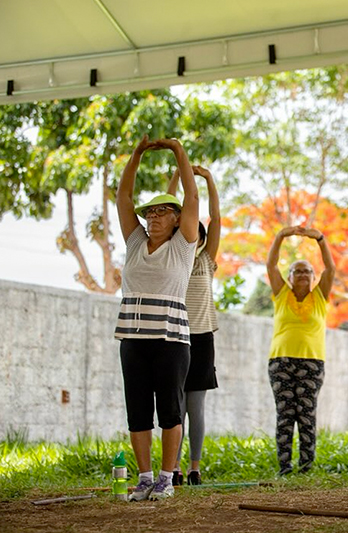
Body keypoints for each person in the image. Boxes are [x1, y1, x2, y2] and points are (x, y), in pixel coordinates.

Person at [115, 136, 199, 501]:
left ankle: (166, 478)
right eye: (150, 213)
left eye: (161, 211)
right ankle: (145, 477)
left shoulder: (182, 247)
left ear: (177, 219)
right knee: (137, 411)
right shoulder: (135, 242)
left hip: (170, 341)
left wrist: (179, 153)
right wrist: (135, 156)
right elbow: (123, 200)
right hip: (132, 339)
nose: (152, 217)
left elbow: (194, 199)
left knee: (169, 409)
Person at [166, 165, 221, 486]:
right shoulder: (174, 256)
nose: (197, 237)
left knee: (196, 408)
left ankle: (194, 468)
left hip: (202, 339)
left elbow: (216, 218)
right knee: (176, 405)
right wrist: (176, 176)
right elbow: (173, 206)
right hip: (174, 336)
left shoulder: (205, 260)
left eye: (201, 234)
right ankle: (171, 466)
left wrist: (209, 180)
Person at [266, 226, 335, 475]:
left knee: (306, 415)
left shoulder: (319, 296)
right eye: (297, 271)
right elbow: (271, 266)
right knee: (285, 415)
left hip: (312, 363)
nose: (303, 274)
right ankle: (284, 467)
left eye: (307, 271)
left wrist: (320, 239)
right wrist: (280, 237)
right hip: (281, 362)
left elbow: (331, 269)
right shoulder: (282, 294)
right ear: (290, 276)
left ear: (313, 276)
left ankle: (306, 467)